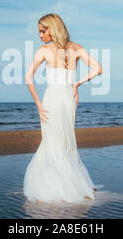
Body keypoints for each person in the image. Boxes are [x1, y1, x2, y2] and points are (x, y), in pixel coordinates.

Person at [23, 13, 103, 203]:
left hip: (52, 99)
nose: (40, 35)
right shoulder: (76, 48)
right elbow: (98, 68)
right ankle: (72, 185)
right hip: (68, 98)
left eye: (43, 31)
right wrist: (77, 84)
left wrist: (39, 104)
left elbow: (28, 77)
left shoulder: (44, 51)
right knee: (66, 143)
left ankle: (58, 189)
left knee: (52, 143)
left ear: (53, 28)